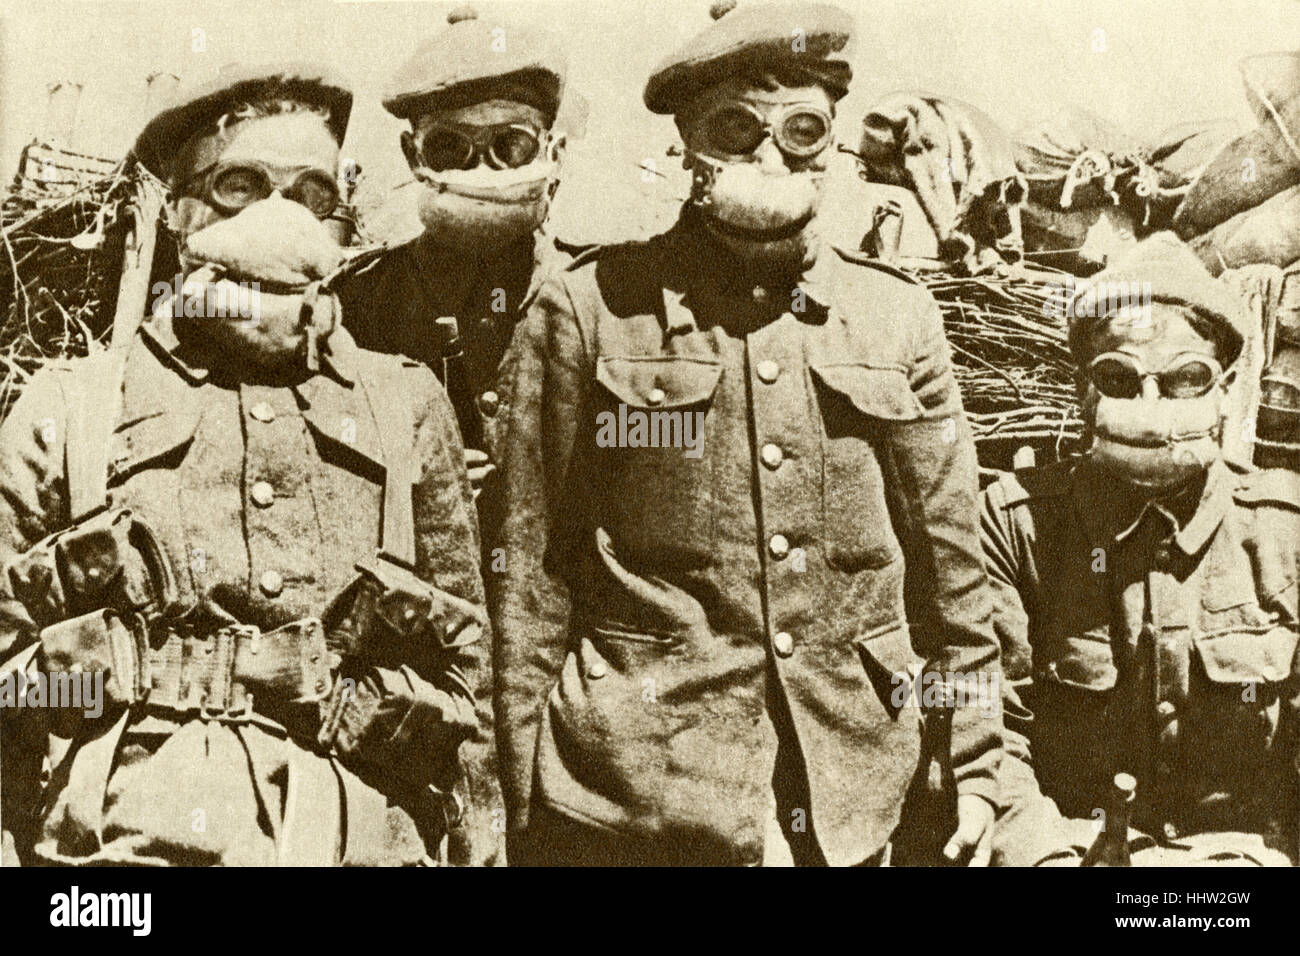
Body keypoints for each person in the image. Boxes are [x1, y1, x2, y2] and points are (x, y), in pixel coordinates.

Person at [490, 0, 1003, 866]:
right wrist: (517, 796)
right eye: (736, 127)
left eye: (801, 129)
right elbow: (531, 575)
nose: (770, 154)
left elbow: (952, 575)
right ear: (688, 141)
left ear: (832, 139)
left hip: (848, 782)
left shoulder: (894, 315)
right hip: (635, 793)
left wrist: (979, 757)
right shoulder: (591, 307)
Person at [0, 63, 488, 866]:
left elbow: (465, 673)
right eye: (240, 184)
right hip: (124, 856)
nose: (278, 214)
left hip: (359, 840)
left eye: (310, 193)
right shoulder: (76, 405)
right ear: (181, 209)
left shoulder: (407, 405)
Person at [334, 5, 584, 866]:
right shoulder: (358, 306)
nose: (480, 169)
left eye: (509, 144)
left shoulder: (606, 302)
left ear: (551, 147)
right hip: (415, 666)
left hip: (573, 662)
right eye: (450, 147)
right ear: (413, 156)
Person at [984, 233, 1300, 866]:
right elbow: (988, 731)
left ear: (1227, 388)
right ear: (1084, 394)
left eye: (1187, 377)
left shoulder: (1280, 529)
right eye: (1119, 379)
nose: (1150, 404)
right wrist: (1041, 854)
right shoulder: (1020, 523)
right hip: (1071, 849)